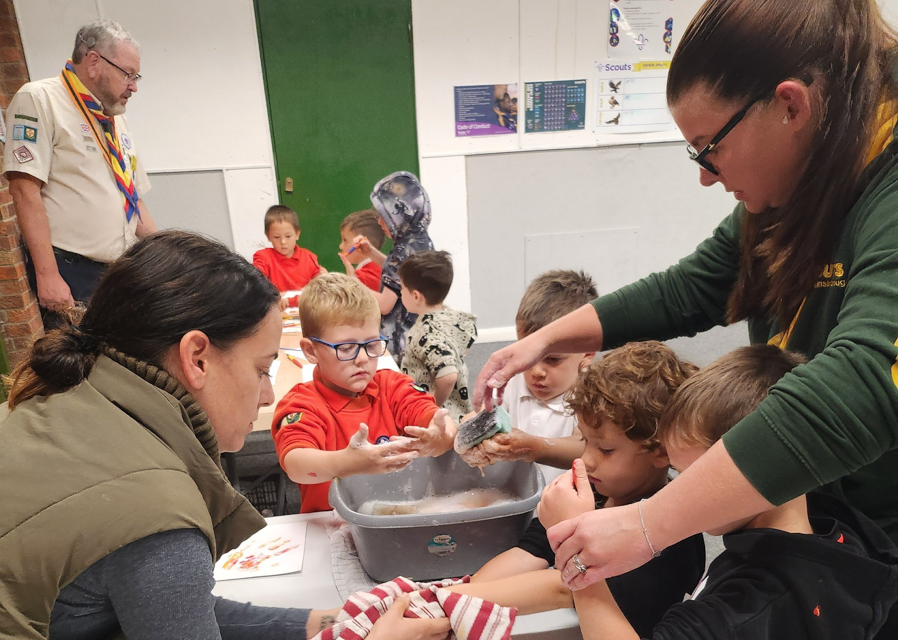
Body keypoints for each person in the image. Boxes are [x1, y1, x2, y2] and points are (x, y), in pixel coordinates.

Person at [473, 0, 898, 609]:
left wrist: (649, 525)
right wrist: (544, 339)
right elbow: (692, 287)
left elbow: (864, 381)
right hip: (812, 507)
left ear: (790, 106)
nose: (705, 176)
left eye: (708, 148)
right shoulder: (801, 179)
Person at [0, 231, 446, 640]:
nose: (267, 394)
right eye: (262, 369)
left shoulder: (64, 402)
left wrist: (326, 622)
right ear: (197, 358)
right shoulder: (157, 514)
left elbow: (172, 609)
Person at [558, 345, 898, 639]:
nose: (679, 493)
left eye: (691, 477)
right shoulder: (826, 530)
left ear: (756, 470)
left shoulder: (754, 604)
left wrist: (582, 568)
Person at [457, 342, 704, 638]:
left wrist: (448, 603)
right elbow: (529, 552)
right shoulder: (593, 491)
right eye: (585, 441)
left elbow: (564, 589)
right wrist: (453, 599)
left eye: (606, 449)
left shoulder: (669, 535)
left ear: (662, 451)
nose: (586, 460)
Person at [2, 19, 157, 321]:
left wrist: (168, 251)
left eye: (136, 76)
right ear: (94, 62)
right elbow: (23, 190)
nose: (134, 86)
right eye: (128, 74)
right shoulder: (40, 99)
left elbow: (132, 197)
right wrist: (48, 275)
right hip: (71, 271)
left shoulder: (114, 116)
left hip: (118, 269)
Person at [271, 272, 456, 514]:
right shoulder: (302, 404)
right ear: (311, 351)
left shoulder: (393, 386)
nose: (362, 359)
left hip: (396, 516)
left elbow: (440, 422)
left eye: (371, 345)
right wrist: (348, 463)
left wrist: (440, 438)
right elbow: (296, 464)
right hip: (330, 523)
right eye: (346, 348)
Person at [468, 270, 597, 483]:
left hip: (565, 499)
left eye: (552, 359)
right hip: (513, 493)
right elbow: (481, 415)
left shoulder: (592, 394)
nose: (536, 371)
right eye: (528, 357)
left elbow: (584, 448)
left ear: (587, 353)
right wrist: (453, 431)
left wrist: (535, 447)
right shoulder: (513, 382)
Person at [351, 171, 434, 365]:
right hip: (418, 331)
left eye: (385, 217)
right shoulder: (419, 239)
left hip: (400, 340)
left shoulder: (402, 250)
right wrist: (371, 253)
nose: (380, 222)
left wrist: (354, 283)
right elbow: (400, 274)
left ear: (401, 214)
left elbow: (384, 305)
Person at [398, 250, 478, 424]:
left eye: (402, 289)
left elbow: (448, 375)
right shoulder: (452, 320)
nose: (400, 293)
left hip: (439, 421)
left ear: (416, 296)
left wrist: (433, 406)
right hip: (458, 411)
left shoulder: (425, 331)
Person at [252, 205, 325, 297]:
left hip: (304, 304)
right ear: (268, 236)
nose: (283, 242)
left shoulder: (309, 257)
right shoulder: (264, 257)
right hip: (277, 304)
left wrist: (324, 277)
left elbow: (319, 289)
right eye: (277, 237)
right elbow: (255, 278)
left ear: (297, 234)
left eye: (288, 236)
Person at [338, 209, 386, 292]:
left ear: (361, 242)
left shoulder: (362, 277)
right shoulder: (380, 268)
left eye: (345, 240)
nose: (341, 246)